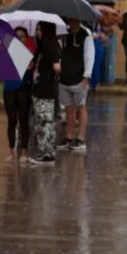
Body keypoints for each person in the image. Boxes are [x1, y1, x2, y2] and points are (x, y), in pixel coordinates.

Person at [57, 18, 94, 152]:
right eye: (70, 20)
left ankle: (81, 138)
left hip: (79, 79)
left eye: (74, 20)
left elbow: (89, 56)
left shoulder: (86, 35)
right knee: (69, 109)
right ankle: (69, 135)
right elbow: (60, 53)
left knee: (81, 108)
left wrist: (87, 76)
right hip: (64, 79)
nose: (71, 22)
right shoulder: (64, 34)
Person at [29, 22, 61, 164]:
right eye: (36, 30)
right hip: (38, 88)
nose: (37, 33)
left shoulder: (53, 47)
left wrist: (56, 66)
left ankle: (47, 152)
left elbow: (57, 67)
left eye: (39, 30)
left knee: (46, 121)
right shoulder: (40, 49)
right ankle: (43, 150)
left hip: (47, 89)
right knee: (39, 122)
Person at [2, 27, 33, 163]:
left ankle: (24, 152)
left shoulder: (30, 54)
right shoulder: (7, 53)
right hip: (9, 89)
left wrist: (31, 68)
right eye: (18, 36)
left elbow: (33, 76)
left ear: (27, 39)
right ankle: (11, 152)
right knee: (11, 120)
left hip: (24, 89)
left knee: (24, 120)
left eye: (23, 36)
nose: (21, 39)